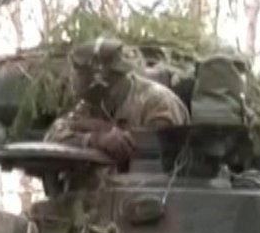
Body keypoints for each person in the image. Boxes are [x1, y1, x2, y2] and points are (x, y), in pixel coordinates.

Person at [44, 37, 189, 166]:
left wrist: (111, 136)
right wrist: (94, 139)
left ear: (101, 80)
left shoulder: (158, 103)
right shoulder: (91, 104)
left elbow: (159, 158)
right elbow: (52, 137)